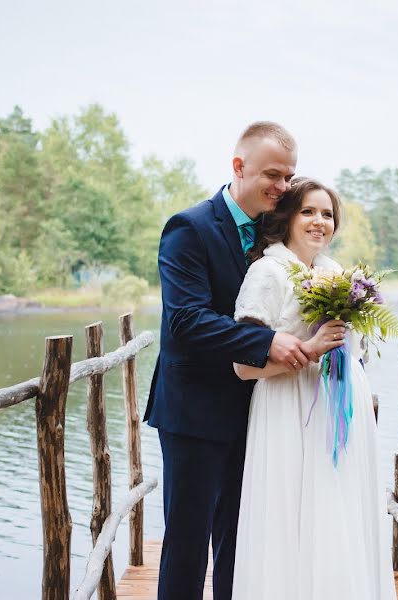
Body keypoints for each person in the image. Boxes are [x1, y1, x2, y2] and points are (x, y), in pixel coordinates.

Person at [145, 122, 342, 600]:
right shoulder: (189, 228)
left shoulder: (276, 231)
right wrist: (266, 344)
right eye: (272, 174)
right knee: (188, 542)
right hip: (194, 411)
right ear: (239, 167)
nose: (282, 186)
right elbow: (186, 321)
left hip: (256, 408)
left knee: (241, 538)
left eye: (288, 177)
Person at [230, 178, 398, 600]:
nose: (319, 221)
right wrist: (307, 350)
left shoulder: (338, 275)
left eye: (327, 214)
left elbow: (355, 350)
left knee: (341, 514)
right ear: (286, 217)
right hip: (289, 407)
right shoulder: (266, 273)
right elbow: (241, 368)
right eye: (308, 211)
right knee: (290, 516)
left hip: (341, 409)